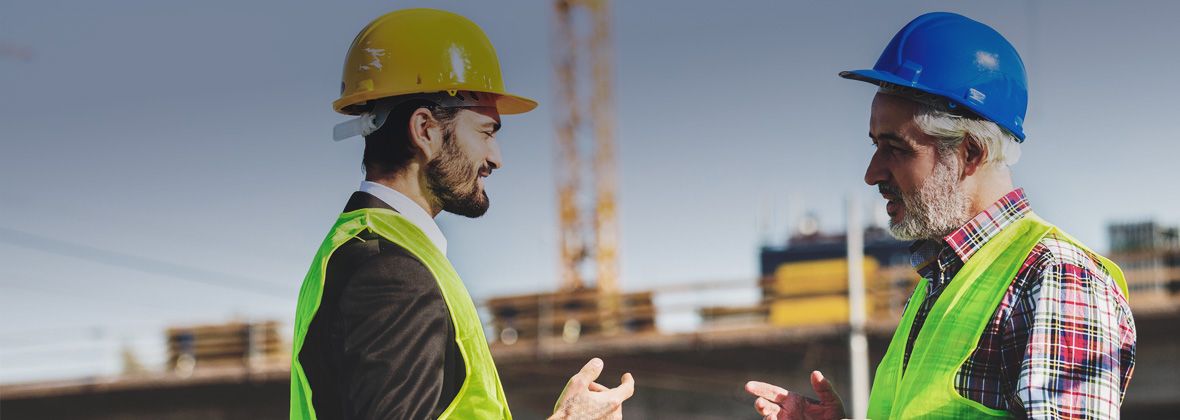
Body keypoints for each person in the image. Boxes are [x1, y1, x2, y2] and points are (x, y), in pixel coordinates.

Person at [746, 12, 1135, 419]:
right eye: (875, 145)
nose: (872, 173)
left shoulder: (1056, 276)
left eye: (895, 148)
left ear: (970, 153)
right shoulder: (939, 285)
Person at [290, 9, 634, 419]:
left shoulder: (358, 248)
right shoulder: (391, 274)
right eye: (486, 133)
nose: (496, 159)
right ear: (425, 131)